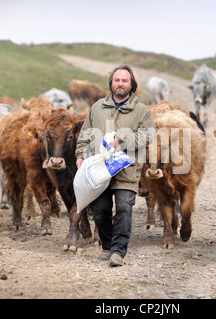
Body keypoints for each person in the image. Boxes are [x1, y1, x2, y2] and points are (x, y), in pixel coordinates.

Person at [75, 65, 155, 267]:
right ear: (111, 82)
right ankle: (107, 245)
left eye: (125, 80)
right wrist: (80, 156)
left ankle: (118, 251)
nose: (120, 84)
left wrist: (123, 139)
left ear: (131, 84)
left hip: (127, 168)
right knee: (100, 209)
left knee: (123, 208)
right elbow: (85, 134)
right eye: (117, 80)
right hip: (99, 168)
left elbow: (148, 135)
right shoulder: (97, 107)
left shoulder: (141, 110)